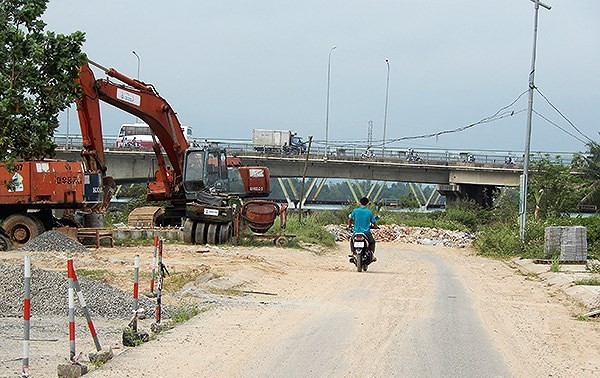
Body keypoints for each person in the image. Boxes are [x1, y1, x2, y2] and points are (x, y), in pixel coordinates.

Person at [348, 197, 378, 262]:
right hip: (366, 232)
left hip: (356, 231)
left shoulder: (355, 210)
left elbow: (350, 219)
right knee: (372, 242)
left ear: (359, 203)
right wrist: (375, 226)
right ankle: (372, 255)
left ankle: (353, 253)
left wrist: (349, 225)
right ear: (367, 204)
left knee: (351, 241)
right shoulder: (369, 212)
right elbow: (373, 221)